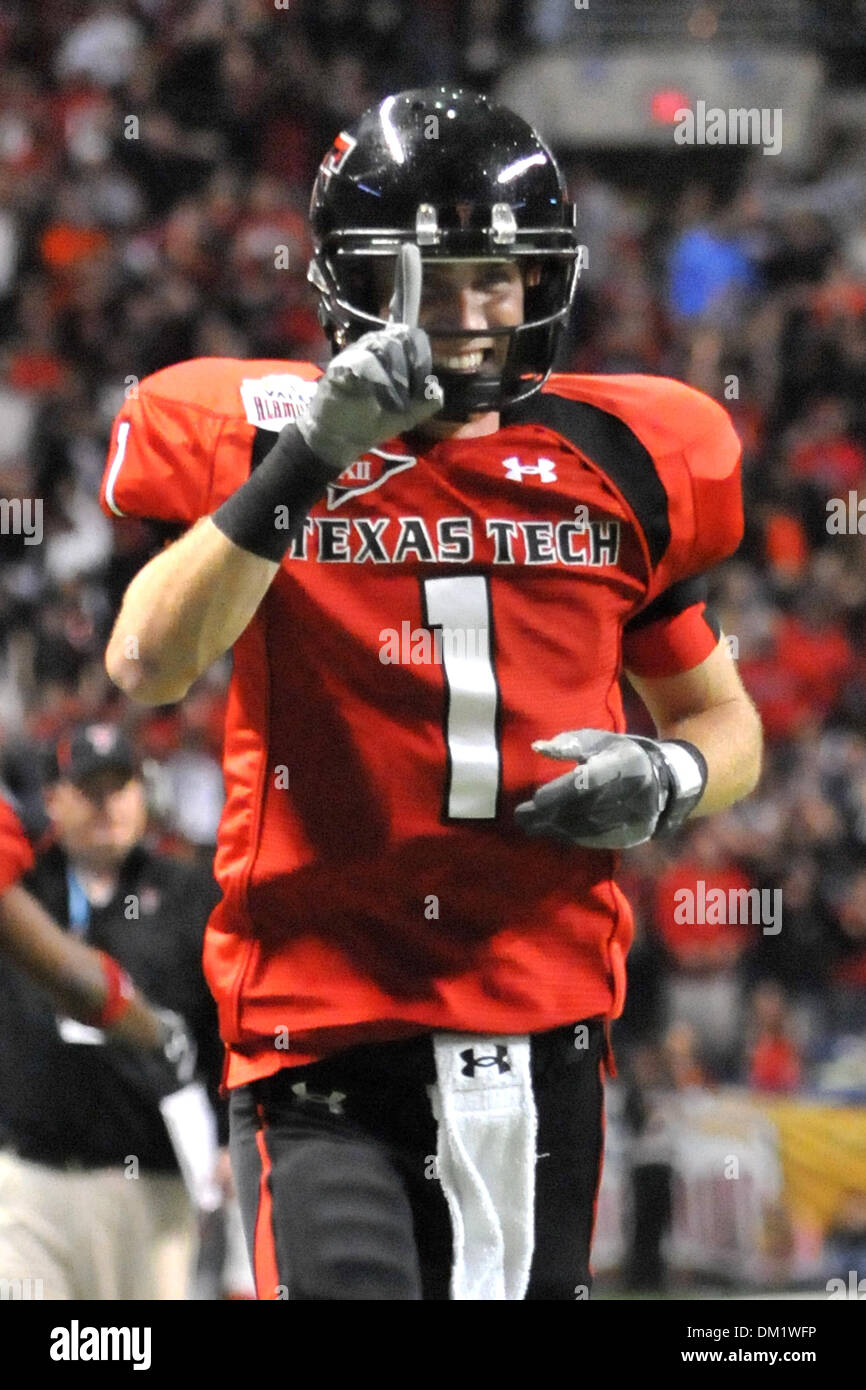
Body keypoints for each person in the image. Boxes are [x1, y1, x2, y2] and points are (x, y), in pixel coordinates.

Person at [102, 88, 762, 1301]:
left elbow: (725, 723)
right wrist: (310, 454)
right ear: (359, 280)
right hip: (323, 1029)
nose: (477, 314)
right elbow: (144, 663)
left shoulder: (619, 457)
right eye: (442, 277)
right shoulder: (254, 433)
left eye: (503, 277)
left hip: (545, 1025)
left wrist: (670, 777)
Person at [0, 723, 224, 1299]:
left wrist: (225, 1136)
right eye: (89, 790)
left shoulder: (191, 892)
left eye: (120, 788)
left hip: (150, 1181)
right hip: (30, 1179)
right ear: (52, 800)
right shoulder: (24, 887)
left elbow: (223, 1024)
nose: (108, 806)